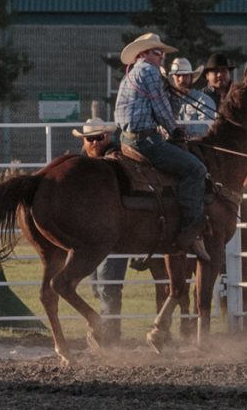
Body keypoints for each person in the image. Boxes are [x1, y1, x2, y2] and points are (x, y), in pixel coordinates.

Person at [113, 32, 211, 259]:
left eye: (162, 54)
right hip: (146, 141)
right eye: (158, 52)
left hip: (128, 138)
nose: (161, 58)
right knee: (196, 169)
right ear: (144, 53)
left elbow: (159, 104)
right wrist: (175, 129)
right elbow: (161, 109)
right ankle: (191, 230)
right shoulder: (148, 71)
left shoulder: (131, 74)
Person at [74, 117, 127, 340]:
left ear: (107, 138)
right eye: (90, 139)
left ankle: (110, 332)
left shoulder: (115, 160)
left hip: (113, 233)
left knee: (107, 284)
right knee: (98, 285)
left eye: (98, 138)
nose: (94, 143)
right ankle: (108, 327)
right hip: (96, 237)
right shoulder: (87, 164)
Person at [169, 57, 215, 138]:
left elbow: (208, 126)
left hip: (195, 147)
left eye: (185, 75)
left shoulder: (203, 100)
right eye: (178, 75)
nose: (182, 79)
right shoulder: (166, 100)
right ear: (173, 78)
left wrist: (183, 128)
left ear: (191, 77)